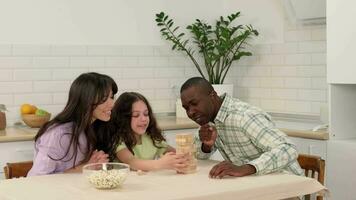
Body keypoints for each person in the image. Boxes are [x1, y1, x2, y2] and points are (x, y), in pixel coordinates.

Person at [180, 77, 303, 179]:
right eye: (186, 108)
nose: (190, 113)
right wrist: (206, 146)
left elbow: (288, 149)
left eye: (194, 104)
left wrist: (246, 168)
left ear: (212, 96)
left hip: (287, 186)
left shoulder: (243, 116)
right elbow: (199, 158)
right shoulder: (208, 121)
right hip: (255, 186)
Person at [27, 72, 118, 176]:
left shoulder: (95, 127)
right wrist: (87, 167)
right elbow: (37, 178)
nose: (112, 104)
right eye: (103, 99)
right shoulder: (58, 134)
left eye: (111, 97)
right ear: (86, 100)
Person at [110, 92, 188, 172]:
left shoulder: (151, 136)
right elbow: (131, 162)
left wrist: (182, 157)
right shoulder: (118, 141)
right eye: (136, 115)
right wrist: (160, 163)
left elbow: (175, 153)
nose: (143, 119)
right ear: (123, 119)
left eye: (146, 114)